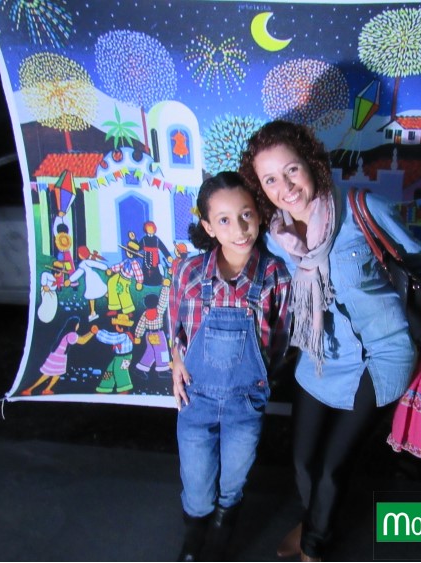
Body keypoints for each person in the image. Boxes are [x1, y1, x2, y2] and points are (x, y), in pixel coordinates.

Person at [239, 120, 421, 561]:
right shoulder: (277, 237)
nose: (285, 188)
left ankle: (315, 546)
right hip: (322, 355)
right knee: (303, 462)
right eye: (270, 180)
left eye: (291, 170)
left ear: (311, 161)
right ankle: (314, 518)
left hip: (382, 353)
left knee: (332, 467)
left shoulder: (362, 208)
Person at [169, 171, 292, 561]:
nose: (239, 229)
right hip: (196, 400)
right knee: (196, 482)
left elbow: (282, 339)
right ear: (208, 226)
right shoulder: (188, 272)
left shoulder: (275, 275)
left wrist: (261, 377)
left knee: (233, 481)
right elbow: (173, 323)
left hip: (245, 404)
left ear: (259, 214)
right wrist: (175, 357)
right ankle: (194, 539)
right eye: (223, 220)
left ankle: (222, 537)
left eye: (246, 215)